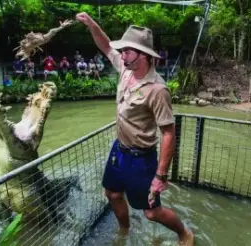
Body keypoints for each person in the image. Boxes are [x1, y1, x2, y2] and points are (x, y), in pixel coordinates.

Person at [76, 12, 194, 246]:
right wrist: (91, 24)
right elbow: (106, 46)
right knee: (113, 194)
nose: (122, 54)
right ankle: (125, 229)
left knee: (151, 212)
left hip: (142, 158)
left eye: (128, 50)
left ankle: (184, 233)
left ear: (143, 55)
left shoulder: (158, 90)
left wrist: (161, 176)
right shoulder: (125, 67)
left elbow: (169, 133)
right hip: (119, 150)